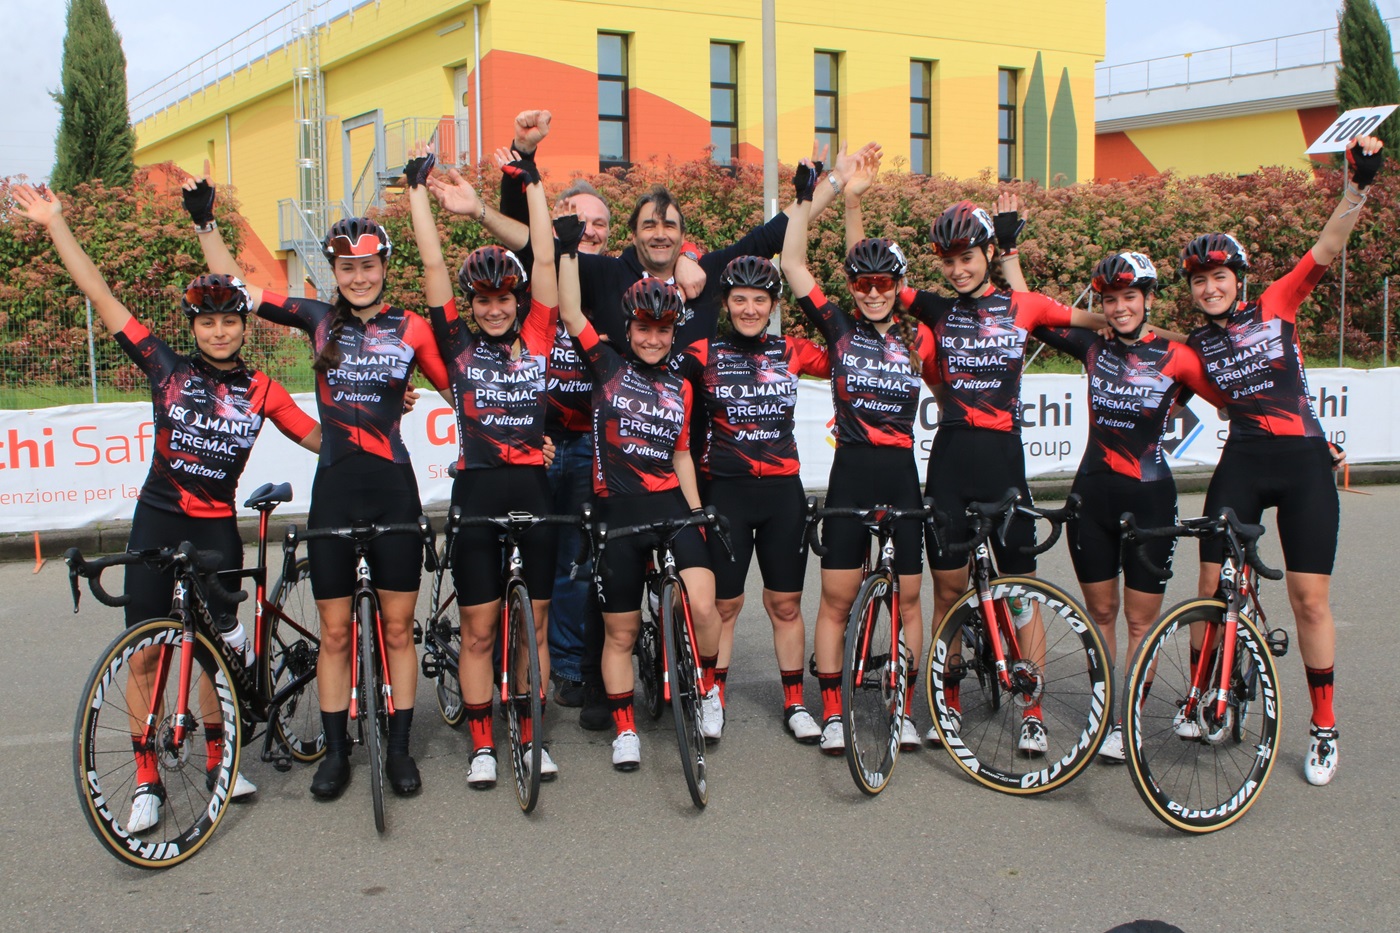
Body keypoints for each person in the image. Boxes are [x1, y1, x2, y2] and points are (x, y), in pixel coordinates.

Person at [12, 183, 320, 832]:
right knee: (147, 653)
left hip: (215, 531)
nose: (217, 329)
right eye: (206, 321)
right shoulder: (166, 367)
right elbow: (101, 294)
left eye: (229, 319)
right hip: (157, 522)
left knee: (210, 654)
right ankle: (146, 778)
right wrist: (56, 223)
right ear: (195, 328)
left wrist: (370, 413)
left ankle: (219, 762)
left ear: (243, 327)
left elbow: (318, 435)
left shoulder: (261, 388)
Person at [186, 173, 450, 800]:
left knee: (396, 627)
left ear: (384, 265)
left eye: (367, 265)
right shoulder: (317, 316)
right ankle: (335, 753)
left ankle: (399, 749)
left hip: (393, 488)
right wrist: (206, 227)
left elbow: (463, 391)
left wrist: (522, 440)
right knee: (334, 632)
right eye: (346, 266)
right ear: (333, 268)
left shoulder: (411, 327)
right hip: (333, 486)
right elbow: (241, 292)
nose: (358, 276)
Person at [862, 188, 1105, 750]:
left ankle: (1033, 708)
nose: (957, 270)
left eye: (966, 258)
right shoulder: (935, 308)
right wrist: (852, 201)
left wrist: (1129, 320)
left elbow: (1095, 320)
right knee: (947, 593)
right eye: (947, 261)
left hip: (1004, 464)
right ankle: (946, 701)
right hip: (950, 461)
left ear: (988, 252)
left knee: (1020, 590)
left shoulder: (1025, 304)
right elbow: (871, 277)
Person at [1182, 136, 1384, 786]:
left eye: (1220, 277)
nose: (1210, 288)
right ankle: (1208, 699)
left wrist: (1356, 187)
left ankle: (1323, 726)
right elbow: (1130, 338)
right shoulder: (1193, 346)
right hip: (1242, 459)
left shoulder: (1276, 306)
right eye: (1199, 280)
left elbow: (1327, 248)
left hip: (1300, 463)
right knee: (1210, 587)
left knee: (1309, 599)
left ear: (1238, 280)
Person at [1031, 251, 1227, 761]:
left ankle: (1127, 721)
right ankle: (1104, 714)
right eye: (1110, 299)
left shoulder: (1178, 357)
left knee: (1141, 623)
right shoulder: (1092, 348)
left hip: (1151, 499)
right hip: (1092, 495)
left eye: (1129, 297)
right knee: (1100, 613)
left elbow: (1235, 401)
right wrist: (1008, 252)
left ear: (1148, 299)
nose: (1119, 307)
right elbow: (1031, 312)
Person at [411, 147, 562, 788]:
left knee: (537, 627)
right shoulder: (457, 341)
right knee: (479, 627)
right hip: (477, 491)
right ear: (472, 303)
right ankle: (481, 742)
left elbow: (548, 256)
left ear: (518, 299)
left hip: (534, 487)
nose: (496, 308)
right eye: (485, 299)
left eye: (506, 297)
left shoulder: (540, 334)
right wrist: (417, 191)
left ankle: (529, 734)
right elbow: (433, 262)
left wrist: (530, 183)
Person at [779, 151, 939, 755]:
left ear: (900, 287)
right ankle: (834, 709)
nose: (873, 292)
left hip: (902, 476)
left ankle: (901, 706)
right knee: (839, 598)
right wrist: (821, 198)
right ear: (852, 288)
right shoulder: (840, 328)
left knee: (908, 596)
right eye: (862, 284)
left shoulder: (918, 336)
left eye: (883, 283)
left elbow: (960, 392)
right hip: (851, 473)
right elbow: (793, 261)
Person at [556, 226, 723, 771]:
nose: (653, 337)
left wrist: (697, 513)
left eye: (663, 329)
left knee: (703, 603)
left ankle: (708, 689)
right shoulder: (605, 365)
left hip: (671, 505)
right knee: (621, 631)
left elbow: (682, 456)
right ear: (629, 328)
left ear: (674, 331)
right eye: (644, 328)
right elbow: (571, 310)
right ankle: (625, 728)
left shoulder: (682, 384)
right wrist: (564, 252)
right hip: (618, 512)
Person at [672, 256, 830, 743]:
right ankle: (712, 694)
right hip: (726, 491)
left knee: (785, 604)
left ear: (774, 305)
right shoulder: (702, 352)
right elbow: (649, 370)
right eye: (739, 299)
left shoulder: (794, 350)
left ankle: (795, 702)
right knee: (726, 605)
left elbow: (848, 359)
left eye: (760, 299)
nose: (749, 308)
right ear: (725, 303)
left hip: (783, 492)